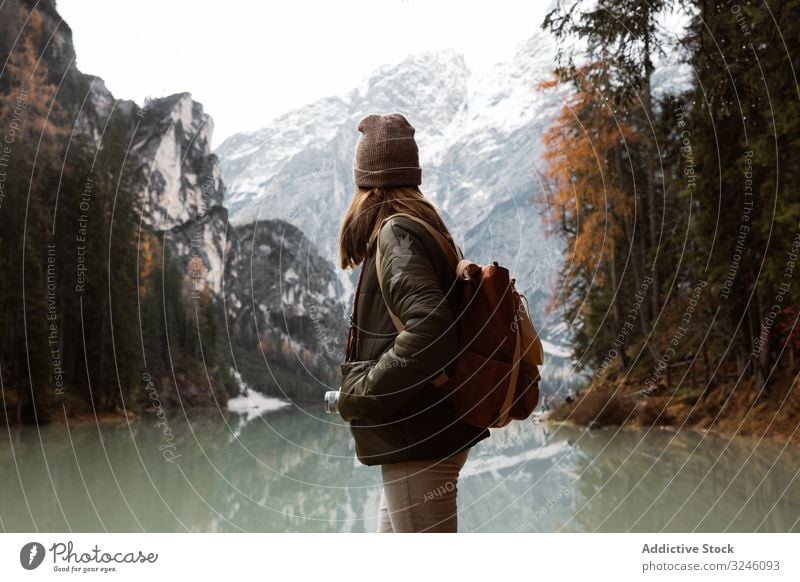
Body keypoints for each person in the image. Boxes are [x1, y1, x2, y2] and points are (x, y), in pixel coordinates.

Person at [336, 112, 490, 533]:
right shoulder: (423, 228)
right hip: (424, 430)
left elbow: (430, 328)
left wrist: (366, 392)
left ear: (366, 182)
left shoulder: (395, 234)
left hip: (417, 434)